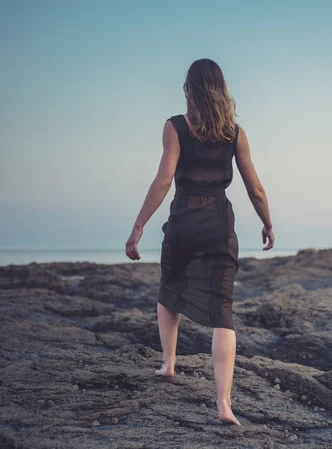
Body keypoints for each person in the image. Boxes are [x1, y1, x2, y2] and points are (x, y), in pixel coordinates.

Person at [125, 58, 274, 426]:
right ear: (221, 90)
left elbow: (163, 180)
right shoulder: (235, 133)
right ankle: (224, 403)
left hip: (183, 223)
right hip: (219, 226)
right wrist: (268, 223)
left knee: (170, 286)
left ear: (190, 89)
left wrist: (139, 225)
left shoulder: (175, 127)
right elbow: (255, 188)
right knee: (222, 310)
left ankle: (169, 363)